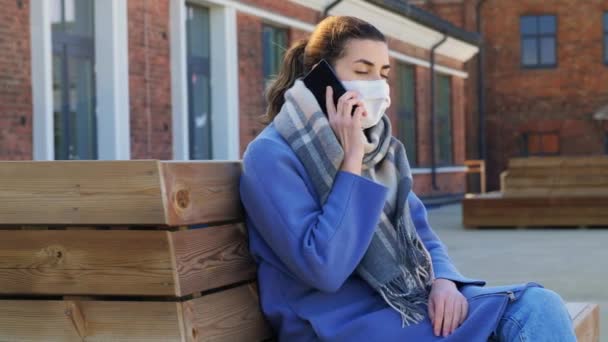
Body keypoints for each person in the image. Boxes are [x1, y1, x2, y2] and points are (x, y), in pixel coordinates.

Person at [239, 15, 577, 342]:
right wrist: (351, 161)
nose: (376, 85)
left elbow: (422, 234)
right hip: (330, 324)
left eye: (383, 74)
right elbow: (324, 268)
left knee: (536, 309)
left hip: (398, 307)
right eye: (362, 71)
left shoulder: (380, 150)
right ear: (321, 78)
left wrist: (444, 280)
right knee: (532, 310)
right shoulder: (272, 156)